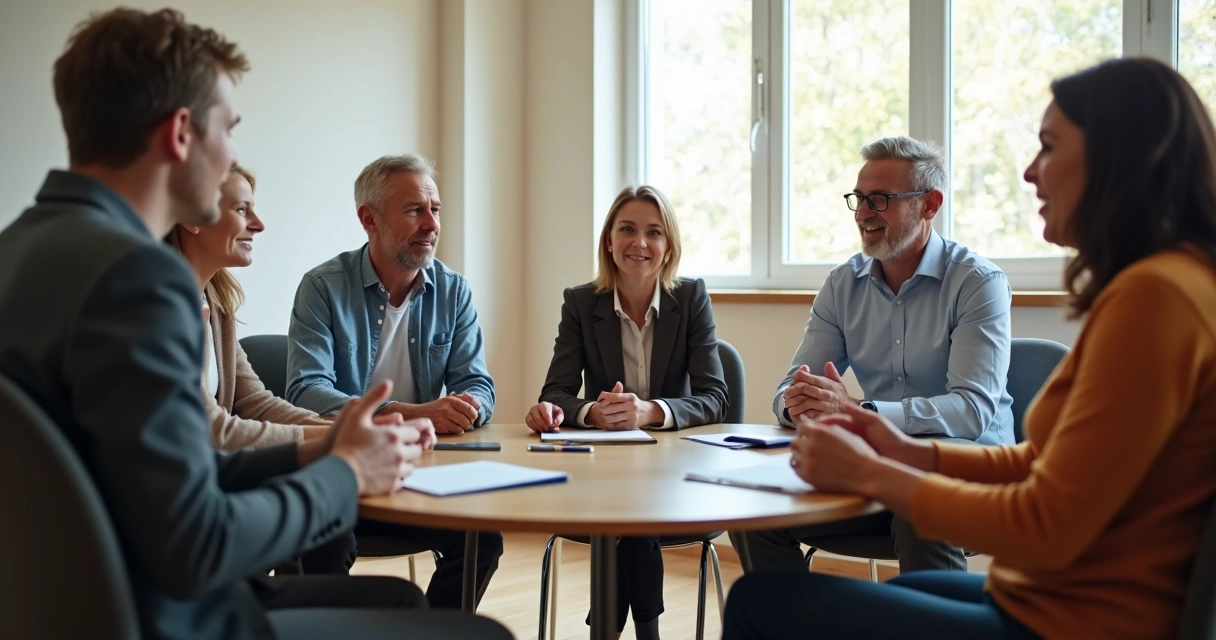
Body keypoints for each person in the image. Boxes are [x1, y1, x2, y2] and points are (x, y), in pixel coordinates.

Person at [0, 9, 509, 640]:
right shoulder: (137, 280)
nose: (233, 154)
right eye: (229, 129)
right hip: (161, 616)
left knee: (397, 603)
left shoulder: (18, 251)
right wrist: (344, 475)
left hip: (62, 608)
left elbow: (175, 474)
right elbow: (199, 542)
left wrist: (324, 447)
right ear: (180, 133)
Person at [722, 56, 1216, 640]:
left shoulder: (1156, 299)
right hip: (1047, 596)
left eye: (1049, 148)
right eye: (860, 198)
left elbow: (1045, 523)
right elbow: (1039, 465)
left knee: (756, 601)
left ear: (1121, 160)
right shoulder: (1159, 286)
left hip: (1073, 620)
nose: (1029, 172)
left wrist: (877, 470)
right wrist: (894, 446)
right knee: (862, 572)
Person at [730, 136, 1014, 575]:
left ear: (929, 204)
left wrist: (859, 413)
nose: (863, 214)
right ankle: (793, 613)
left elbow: (971, 411)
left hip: (964, 466)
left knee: (919, 508)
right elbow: (790, 387)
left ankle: (936, 614)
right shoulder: (842, 284)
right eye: (859, 199)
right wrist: (800, 402)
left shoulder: (978, 282)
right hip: (874, 465)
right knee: (753, 505)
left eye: (879, 199)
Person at [287, 153, 502, 608]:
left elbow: (479, 385)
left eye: (435, 209)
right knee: (323, 539)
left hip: (418, 474)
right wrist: (409, 414)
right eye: (414, 210)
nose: (432, 224)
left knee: (482, 538)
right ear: (370, 219)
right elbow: (305, 390)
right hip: (342, 473)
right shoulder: (323, 287)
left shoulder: (454, 291)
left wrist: (466, 406)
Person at [526, 185, 728, 639]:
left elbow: (716, 398)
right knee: (628, 508)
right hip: (602, 471)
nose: (640, 242)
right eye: (627, 230)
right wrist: (591, 414)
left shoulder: (691, 298)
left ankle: (607, 631)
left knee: (631, 512)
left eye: (654, 232)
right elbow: (555, 392)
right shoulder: (581, 303)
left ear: (668, 245)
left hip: (675, 471)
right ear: (609, 241)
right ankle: (646, 633)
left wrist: (650, 411)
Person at [169, 166, 331, 449]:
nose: (259, 224)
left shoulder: (216, 302)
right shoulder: (165, 310)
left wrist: (343, 428)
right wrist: (335, 437)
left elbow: (257, 403)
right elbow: (208, 430)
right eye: (242, 210)